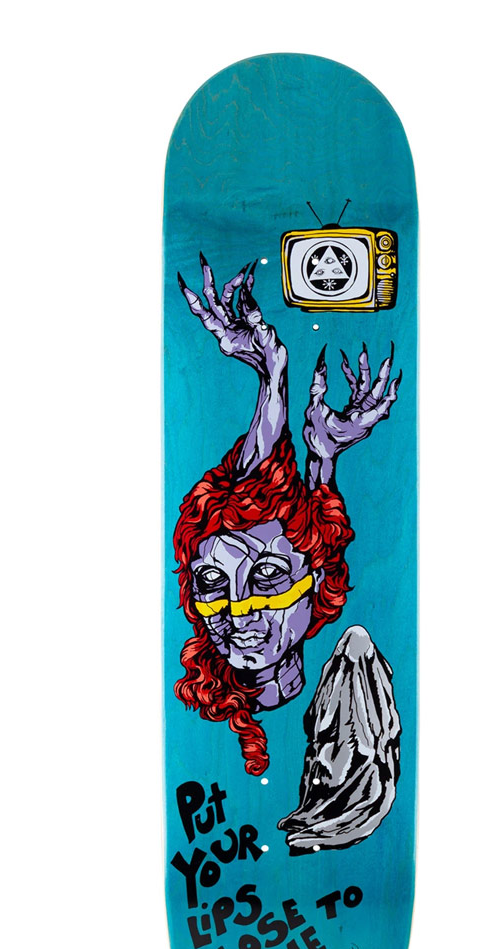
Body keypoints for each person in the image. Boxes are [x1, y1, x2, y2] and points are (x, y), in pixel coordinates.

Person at [172, 256, 400, 776]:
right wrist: (272, 376)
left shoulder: (351, 688)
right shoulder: (199, 712)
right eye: (212, 582)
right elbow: (261, 472)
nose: (239, 611)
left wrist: (278, 381)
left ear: (316, 579)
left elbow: (269, 474)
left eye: (268, 574)